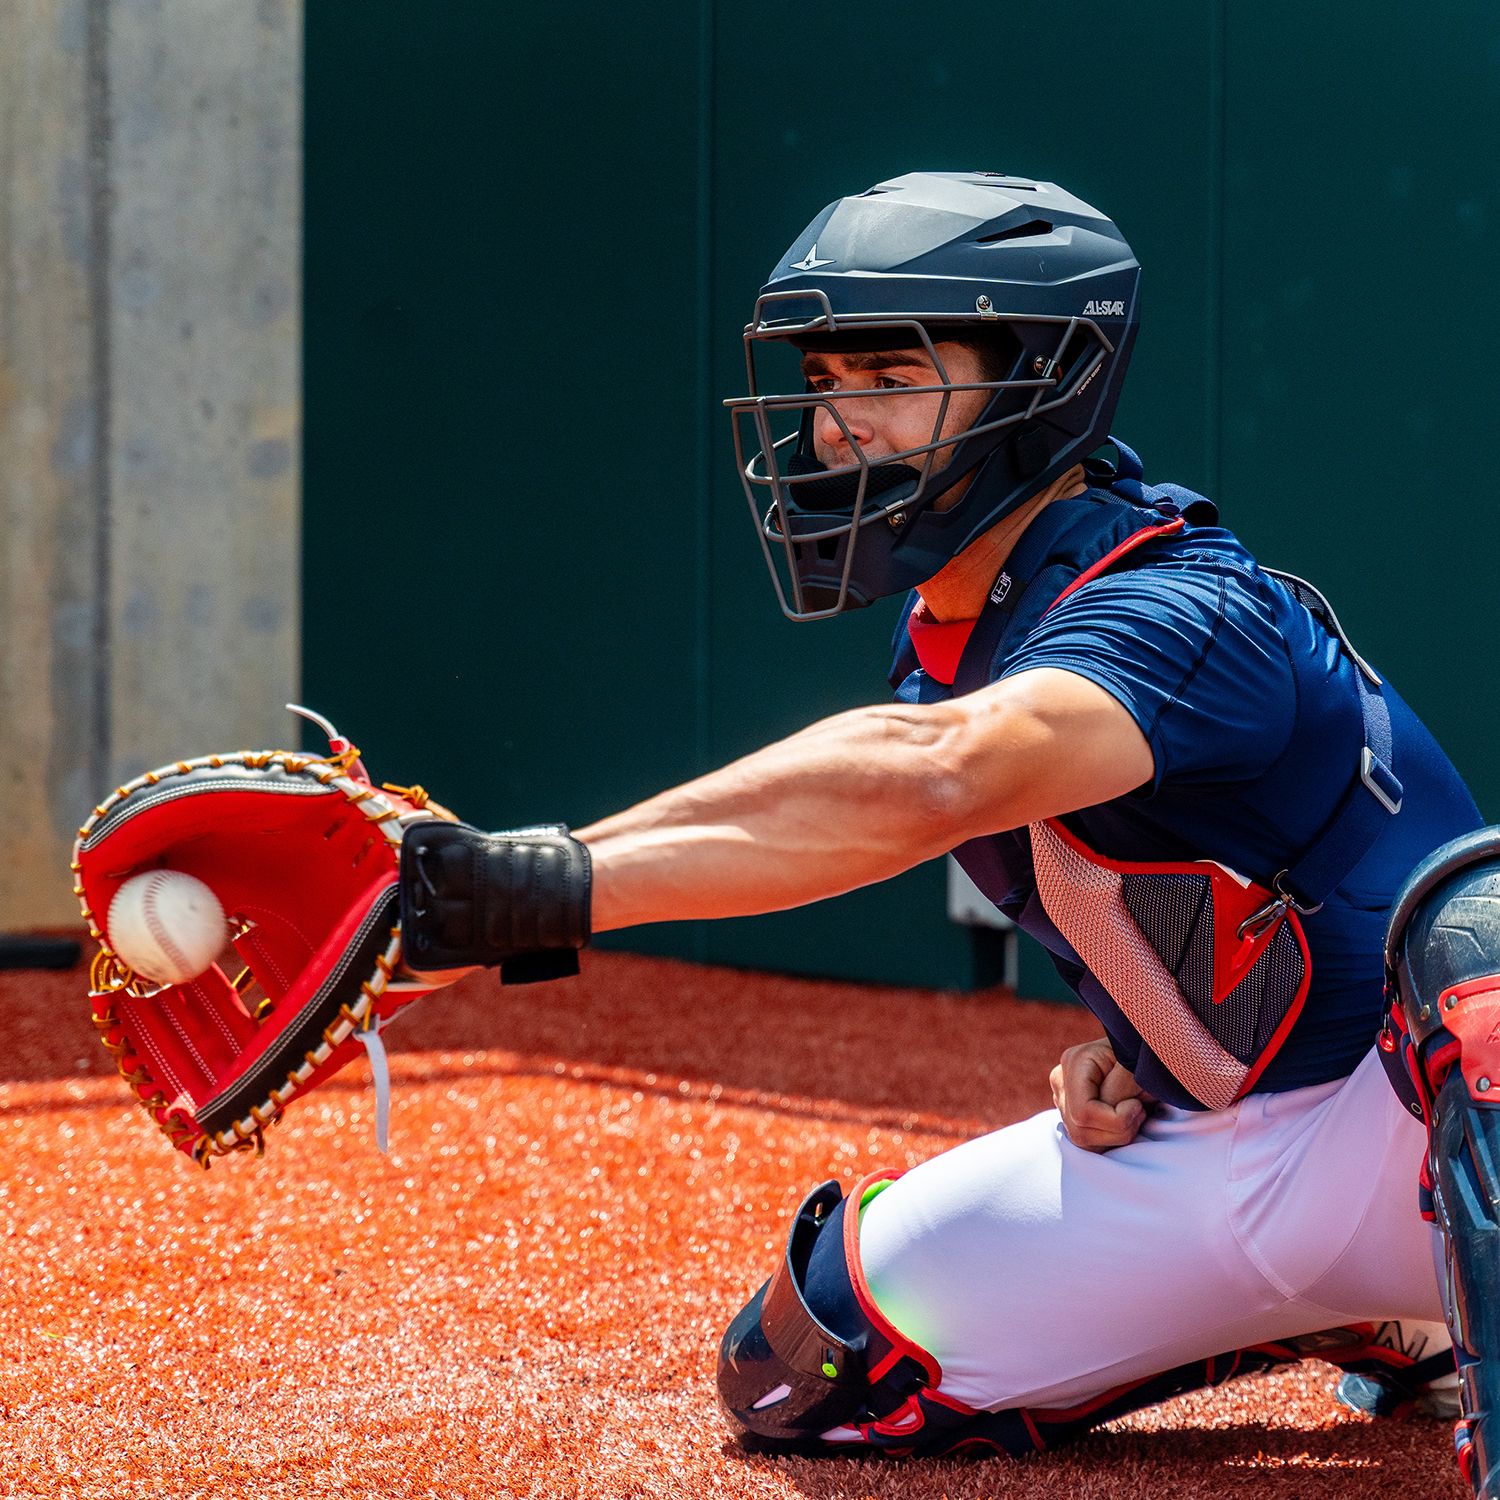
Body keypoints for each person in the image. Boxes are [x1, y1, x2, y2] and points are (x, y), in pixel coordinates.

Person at [396, 172, 1480, 1469]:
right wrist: (1141, 1046)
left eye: (891, 377)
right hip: (1240, 1153)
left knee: (1482, 951)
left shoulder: (1187, 610)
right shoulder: (952, 649)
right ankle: (1355, 1318)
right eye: (827, 381)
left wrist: (524, 884)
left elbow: (937, 774)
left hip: (1410, 1134)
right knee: (816, 1364)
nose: (837, 427)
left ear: (1038, 388)